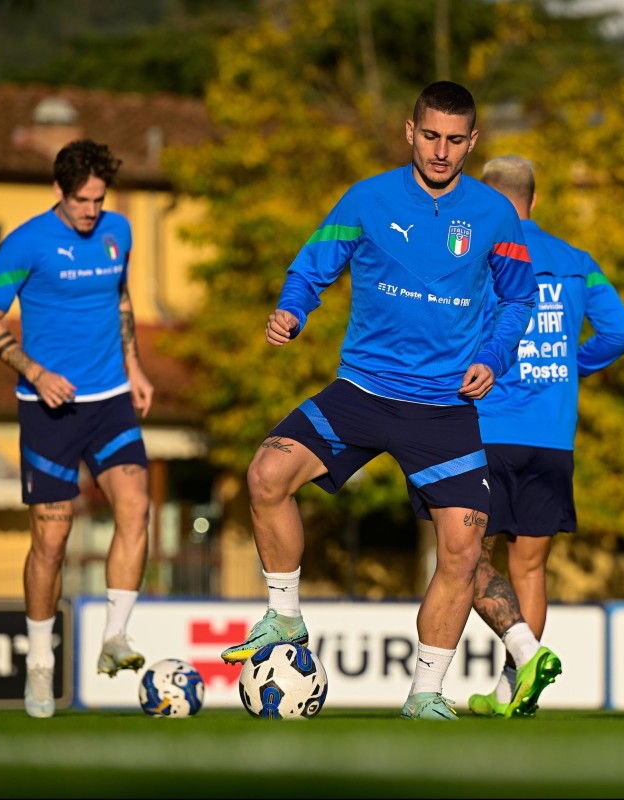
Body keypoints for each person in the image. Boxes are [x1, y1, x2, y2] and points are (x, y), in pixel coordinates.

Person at [219, 81, 543, 721]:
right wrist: (292, 307)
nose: (441, 151)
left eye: (455, 140)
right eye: (430, 136)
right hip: (363, 392)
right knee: (266, 474)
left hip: (443, 409)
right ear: (409, 131)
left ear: (473, 142)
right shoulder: (366, 199)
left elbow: (517, 300)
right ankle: (284, 618)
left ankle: (425, 695)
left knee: (462, 548)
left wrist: (493, 358)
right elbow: (314, 264)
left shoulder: (495, 216)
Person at [0, 139, 154, 719]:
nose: (91, 210)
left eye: (99, 200)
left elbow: (121, 297)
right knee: (51, 540)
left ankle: (114, 637)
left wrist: (135, 367)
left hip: (111, 402)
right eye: (81, 200)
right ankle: (41, 667)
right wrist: (35, 370)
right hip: (48, 409)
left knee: (137, 505)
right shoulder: (26, 243)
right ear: (59, 191)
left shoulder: (118, 231)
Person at [468, 155, 624, 717]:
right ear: (534, 201)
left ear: (486, 200)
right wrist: (573, 363)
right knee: (531, 568)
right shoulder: (577, 261)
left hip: (488, 426)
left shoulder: (479, 255)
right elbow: (621, 332)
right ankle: (508, 691)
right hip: (552, 435)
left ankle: (435, 686)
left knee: (464, 558)